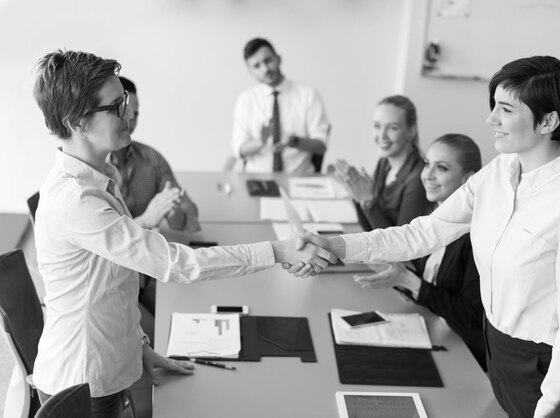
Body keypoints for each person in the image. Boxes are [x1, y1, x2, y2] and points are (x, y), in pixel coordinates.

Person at [291, 56, 560, 418]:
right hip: (495, 346)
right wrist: (338, 246)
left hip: (541, 363)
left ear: (548, 121)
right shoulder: (500, 172)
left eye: (505, 109)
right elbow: (423, 233)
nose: (491, 119)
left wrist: (555, 411)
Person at [31, 49, 334, 417]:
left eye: (123, 101)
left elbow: (112, 285)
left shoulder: (100, 177)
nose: (127, 115)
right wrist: (277, 251)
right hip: (83, 384)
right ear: (77, 122)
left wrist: (139, 346)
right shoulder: (76, 200)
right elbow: (172, 263)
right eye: (115, 108)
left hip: (106, 365)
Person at [353, 133, 486, 371]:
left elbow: (470, 317)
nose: (428, 175)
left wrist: (411, 282)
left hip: (464, 354)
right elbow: (430, 284)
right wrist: (404, 281)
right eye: (427, 164)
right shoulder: (431, 213)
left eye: (442, 168)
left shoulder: (476, 236)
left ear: (469, 180)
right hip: (432, 329)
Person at [109, 76, 201, 234]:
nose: (130, 120)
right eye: (123, 111)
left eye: (135, 114)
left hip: (150, 253)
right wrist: (145, 220)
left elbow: (187, 220)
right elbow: (105, 239)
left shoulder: (152, 158)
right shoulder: (92, 168)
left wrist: (175, 211)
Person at [331, 95, 429, 231]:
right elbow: (370, 228)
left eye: (393, 128)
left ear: (410, 131)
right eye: (377, 126)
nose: (382, 135)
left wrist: (368, 201)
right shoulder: (384, 163)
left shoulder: (418, 179)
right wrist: (357, 195)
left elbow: (400, 246)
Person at [232, 38, 330, 174]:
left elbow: (321, 146)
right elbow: (239, 150)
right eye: (257, 66)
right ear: (250, 71)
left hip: (298, 178)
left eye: (268, 61)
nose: (265, 69)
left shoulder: (308, 95)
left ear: (278, 59)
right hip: (258, 178)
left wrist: (294, 141)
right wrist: (261, 141)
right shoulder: (246, 100)